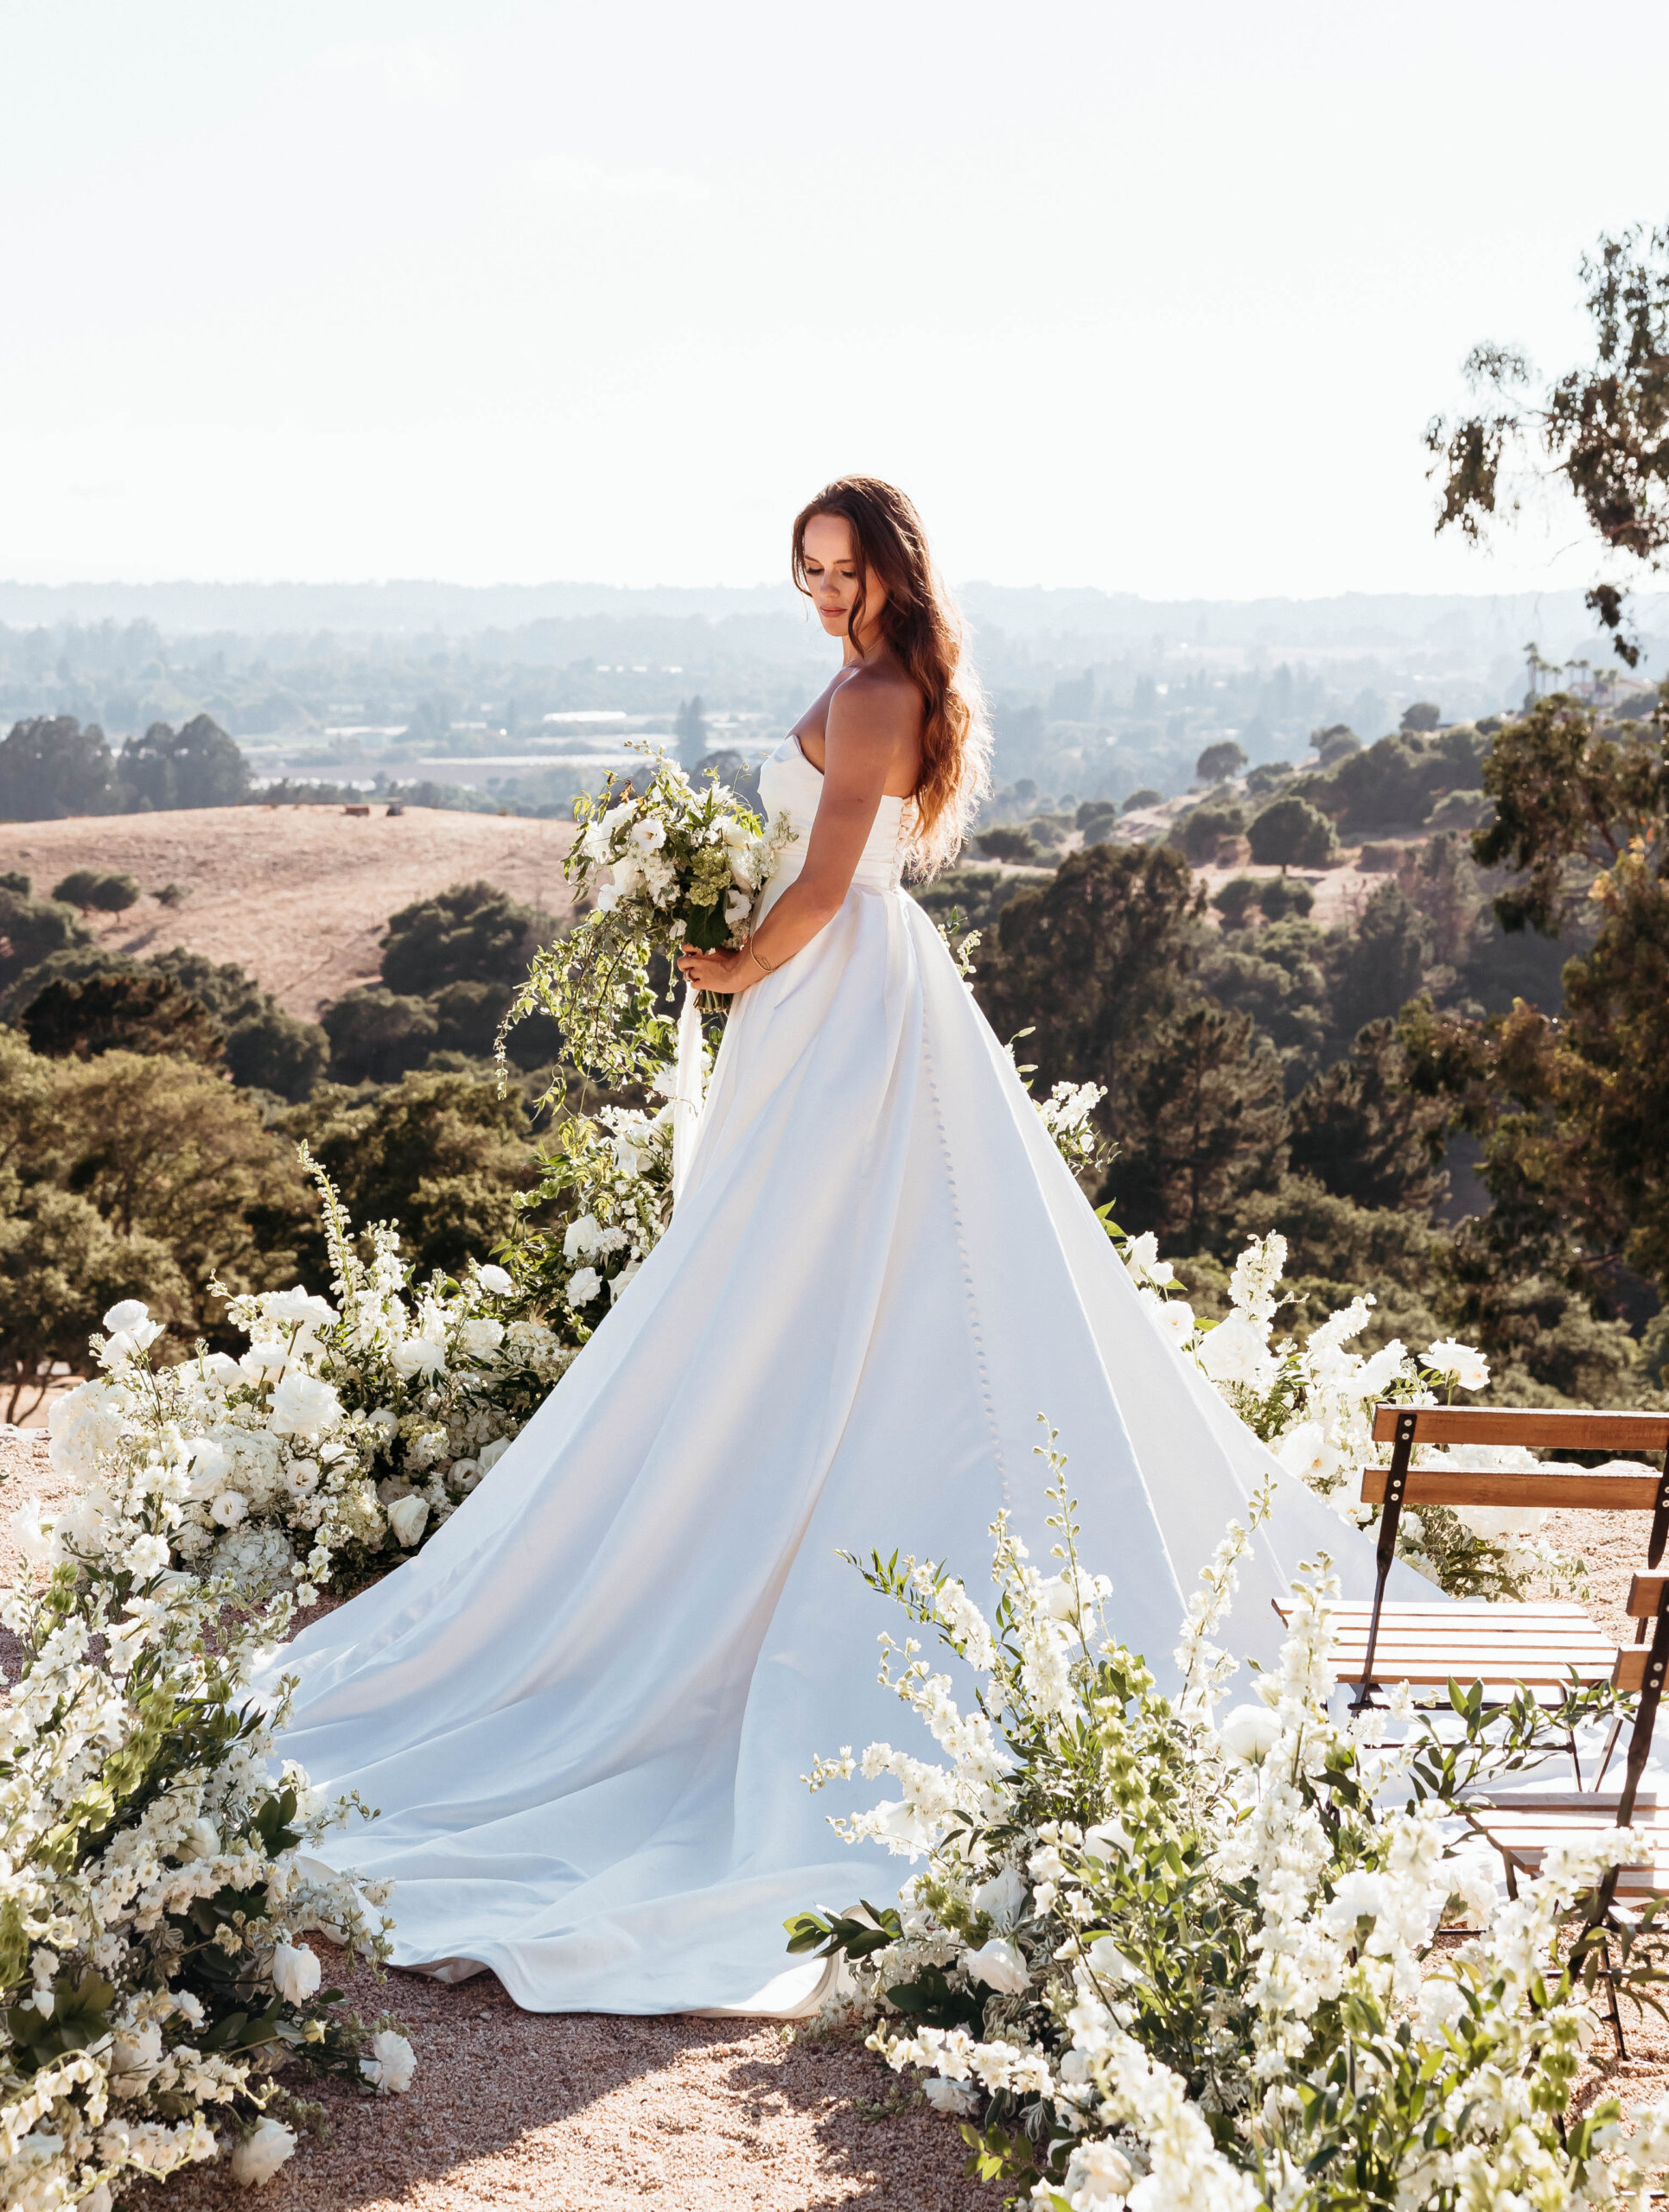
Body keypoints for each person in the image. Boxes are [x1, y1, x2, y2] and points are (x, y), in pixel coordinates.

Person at [268, 477, 1387, 2016]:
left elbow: (825, 871)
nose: (822, 593)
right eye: (805, 571)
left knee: (820, 1261)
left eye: (843, 569)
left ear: (891, 571)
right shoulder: (902, 681)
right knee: (825, 1260)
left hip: (839, 982)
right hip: (855, 984)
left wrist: (729, 960)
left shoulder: (874, 696)